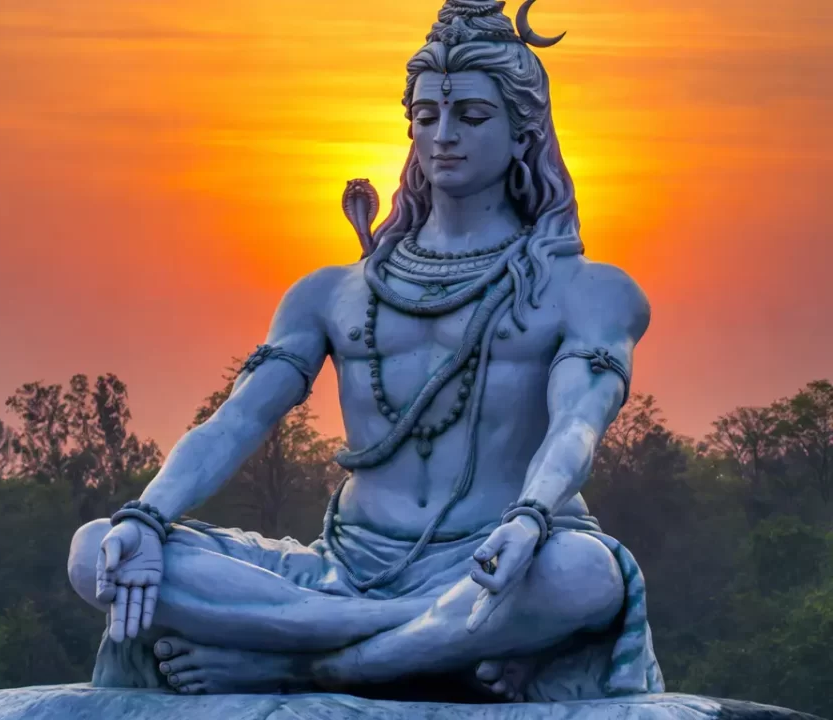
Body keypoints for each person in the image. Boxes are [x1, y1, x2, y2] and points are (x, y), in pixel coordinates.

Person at [67, 0, 663, 702]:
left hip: (501, 556)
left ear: (524, 131)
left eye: (471, 117)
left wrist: (531, 516)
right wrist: (148, 513)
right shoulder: (330, 292)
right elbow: (236, 422)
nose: (443, 136)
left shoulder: (587, 289)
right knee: (96, 551)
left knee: (583, 575)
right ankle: (419, 647)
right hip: (344, 569)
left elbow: (577, 423)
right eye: (426, 116)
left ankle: (303, 666)